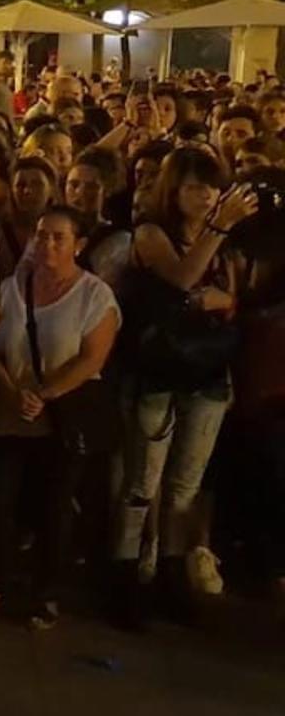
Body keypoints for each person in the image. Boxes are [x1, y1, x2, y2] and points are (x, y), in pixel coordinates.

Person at [113, 148, 259, 619]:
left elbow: (230, 300)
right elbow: (181, 279)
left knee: (184, 488)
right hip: (158, 372)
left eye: (213, 188)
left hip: (208, 374)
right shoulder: (152, 233)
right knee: (142, 484)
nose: (206, 197)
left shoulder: (228, 243)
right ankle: (128, 573)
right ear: (173, 190)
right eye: (196, 187)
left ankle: (171, 573)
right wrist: (215, 238)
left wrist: (218, 298)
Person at [0, 206, 120, 628]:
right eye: (41, 235)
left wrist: (45, 394)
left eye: (58, 237)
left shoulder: (94, 295)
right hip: (9, 410)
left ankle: (46, 590)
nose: (47, 244)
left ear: (79, 245)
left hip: (61, 416)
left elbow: (92, 359)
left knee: (54, 506)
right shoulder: (10, 287)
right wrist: (11, 390)